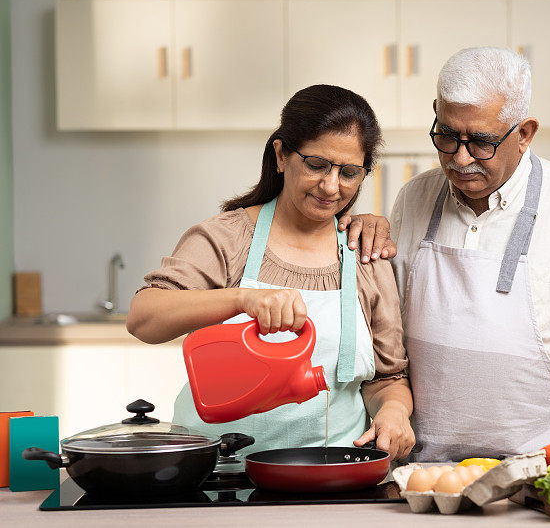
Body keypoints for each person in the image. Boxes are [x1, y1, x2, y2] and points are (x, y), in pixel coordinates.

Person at [341, 47, 550, 461]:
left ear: (525, 133)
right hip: (424, 475)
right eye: (447, 136)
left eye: (481, 141)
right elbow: (384, 330)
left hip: (544, 475)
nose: (461, 158)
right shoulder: (415, 197)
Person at [126, 85, 414, 460]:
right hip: (217, 472)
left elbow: (387, 379)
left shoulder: (366, 256)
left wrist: (394, 411)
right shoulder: (226, 238)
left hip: (329, 477)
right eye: (316, 165)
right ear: (281, 155)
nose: (331, 186)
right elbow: (143, 318)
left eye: (349, 173)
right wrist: (242, 299)